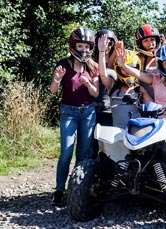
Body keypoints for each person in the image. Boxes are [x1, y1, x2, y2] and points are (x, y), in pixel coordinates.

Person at [50, 27, 99, 206]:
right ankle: (59, 189)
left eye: (87, 47)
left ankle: (76, 188)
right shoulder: (63, 64)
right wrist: (56, 78)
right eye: (80, 46)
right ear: (73, 46)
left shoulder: (93, 67)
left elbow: (95, 93)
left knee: (83, 153)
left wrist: (88, 85)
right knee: (66, 152)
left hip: (88, 111)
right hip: (68, 112)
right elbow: (53, 91)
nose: (84, 50)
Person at [97, 34, 152, 128]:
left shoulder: (139, 89)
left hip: (136, 133)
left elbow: (152, 107)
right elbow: (103, 74)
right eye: (123, 68)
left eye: (131, 68)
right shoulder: (113, 86)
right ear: (118, 69)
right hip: (117, 133)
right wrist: (101, 51)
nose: (127, 72)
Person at [90, 29, 118, 158]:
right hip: (91, 108)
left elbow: (105, 72)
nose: (107, 46)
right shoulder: (91, 60)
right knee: (90, 147)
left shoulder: (116, 63)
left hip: (109, 109)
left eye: (110, 43)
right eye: (103, 43)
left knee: (108, 148)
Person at [134, 24, 161, 100]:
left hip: (163, 102)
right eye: (146, 40)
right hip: (144, 102)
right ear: (140, 43)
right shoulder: (137, 58)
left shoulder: (163, 57)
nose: (150, 43)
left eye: (152, 39)